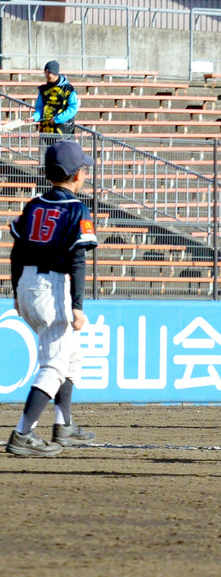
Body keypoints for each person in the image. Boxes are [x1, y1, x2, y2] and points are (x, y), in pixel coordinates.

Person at [6, 139, 98, 457]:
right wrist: (77, 306)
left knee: (71, 355)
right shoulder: (76, 208)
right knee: (55, 365)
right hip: (52, 286)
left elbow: (17, 251)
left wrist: (16, 291)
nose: (85, 173)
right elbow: (78, 260)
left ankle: (64, 425)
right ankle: (21, 434)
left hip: (28, 284)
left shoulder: (33, 205)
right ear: (75, 175)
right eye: (83, 168)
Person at [31, 60, 79, 138]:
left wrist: (57, 119)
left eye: (49, 72)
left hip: (63, 131)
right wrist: (34, 117)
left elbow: (73, 108)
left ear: (55, 73)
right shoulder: (43, 89)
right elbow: (39, 107)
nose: (47, 75)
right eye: (45, 72)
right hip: (46, 130)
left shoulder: (69, 89)